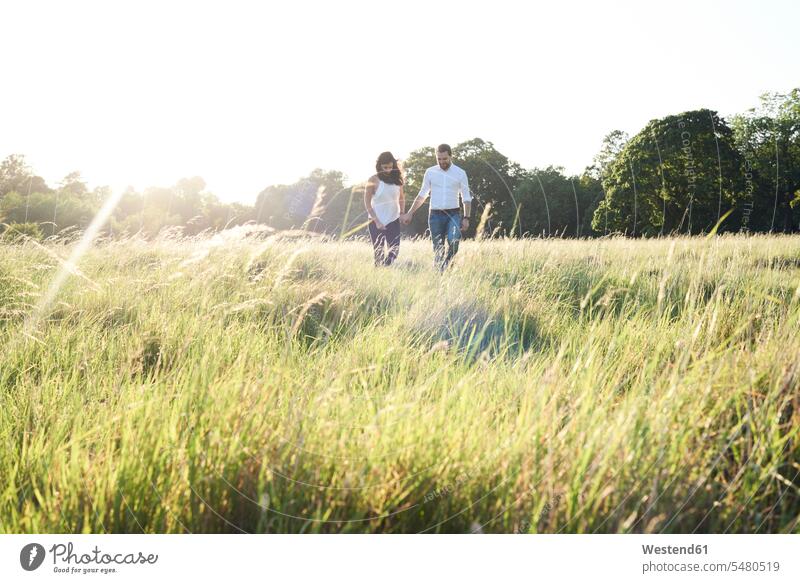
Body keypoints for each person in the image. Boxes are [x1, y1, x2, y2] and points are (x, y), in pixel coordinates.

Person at [400, 144, 471, 270]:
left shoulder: (460, 173)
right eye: (439, 159)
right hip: (435, 215)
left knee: (453, 241)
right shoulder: (430, 172)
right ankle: (440, 272)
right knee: (438, 247)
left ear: (450, 156)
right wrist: (410, 212)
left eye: (444, 159)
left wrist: (466, 217)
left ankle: (444, 266)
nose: (442, 162)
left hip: (453, 214)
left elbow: (466, 197)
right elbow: (422, 195)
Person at [364, 151, 405, 266]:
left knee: (394, 252)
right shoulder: (373, 179)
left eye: (390, 167)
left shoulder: (398, 180)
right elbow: (367, 203)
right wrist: (376, 221)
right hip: (376, 222)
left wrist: (402, 213)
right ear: (379, 166)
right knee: (379, 254)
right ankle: (379, 274)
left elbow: (401, 198)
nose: (388, 170)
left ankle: (386, 268)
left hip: (393, 220)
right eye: (385, 167)